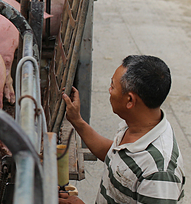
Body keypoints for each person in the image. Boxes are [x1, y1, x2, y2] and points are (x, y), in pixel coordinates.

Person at [59, 55, 185, 204]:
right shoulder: (139, 124)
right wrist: (77, 120)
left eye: (113, 86)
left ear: (130, 100)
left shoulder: (159, 173)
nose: (109, 90)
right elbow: (115, 156)